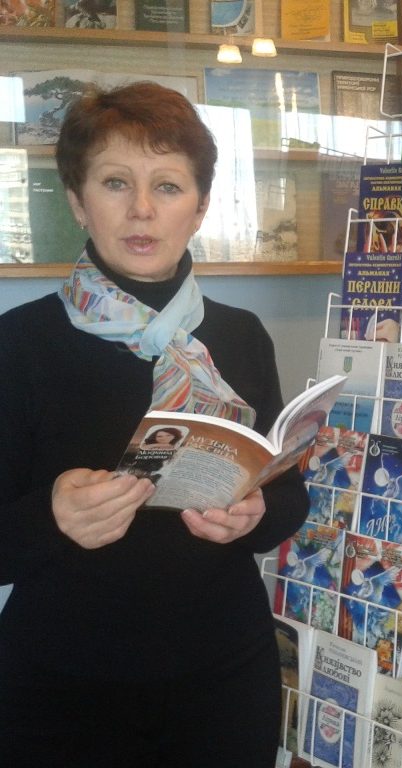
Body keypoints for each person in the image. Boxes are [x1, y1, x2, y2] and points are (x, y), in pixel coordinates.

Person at [0, 82, 309, 767]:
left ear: (199, 207)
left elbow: (290, 495)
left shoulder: (240, 336)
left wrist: (256, 513)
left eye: (167, 186)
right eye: (116, 182)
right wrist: (52, 518)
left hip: (224, 680)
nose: (141, 209)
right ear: (78, 200)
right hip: (61, 694)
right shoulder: (18, 345)